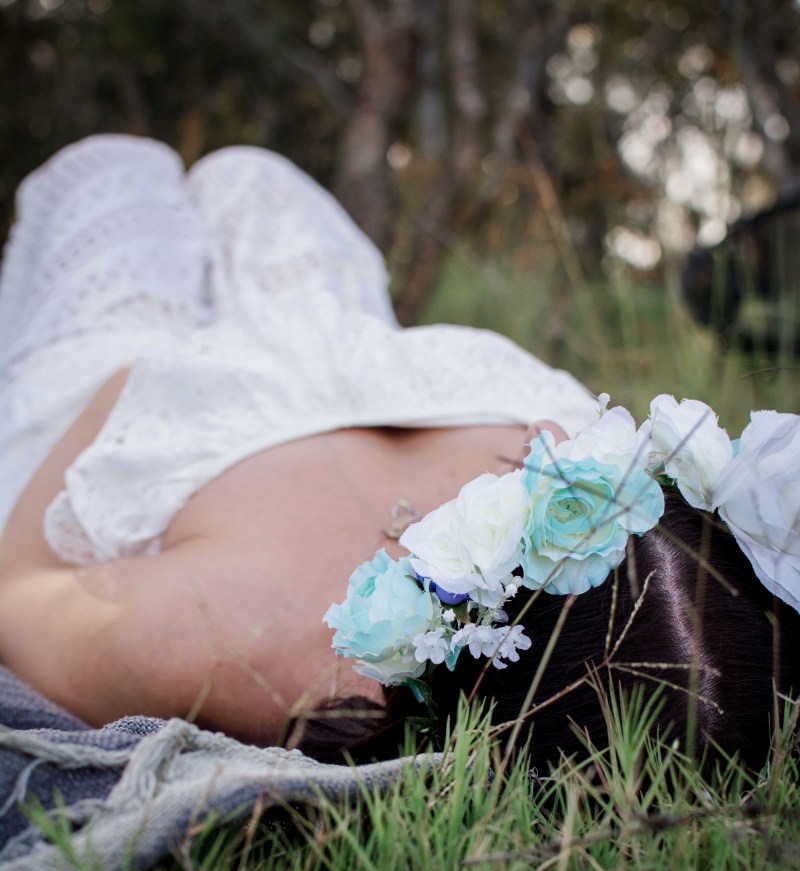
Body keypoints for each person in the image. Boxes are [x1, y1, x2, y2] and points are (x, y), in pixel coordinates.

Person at [0, 136, 796, 776]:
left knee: (109, 163)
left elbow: (16, 593)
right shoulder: (591, 445)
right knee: (251, 171)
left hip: (118, 388)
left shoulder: (247, 648)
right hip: (329, 329)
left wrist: (131, 388)